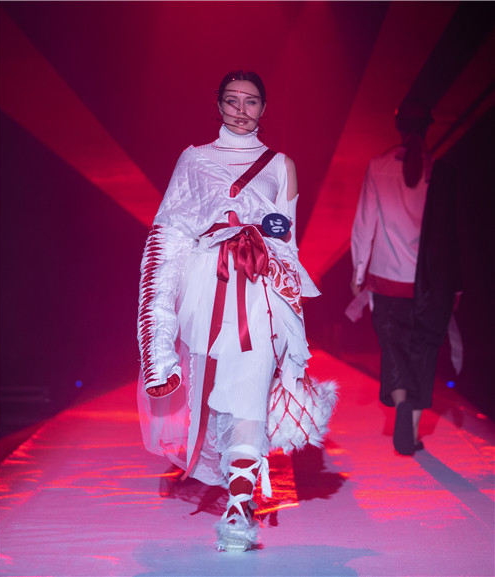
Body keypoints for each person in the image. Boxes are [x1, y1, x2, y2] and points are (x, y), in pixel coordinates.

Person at [137, 70, 337, 552]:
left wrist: (293, 316)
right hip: (206, 287)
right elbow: (169, 234)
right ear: (218, 105)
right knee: (216, 396)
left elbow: (286, 239)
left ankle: (239, 506)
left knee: (249, 391)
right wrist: (157, 338)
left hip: (260, 286)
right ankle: (236, 494)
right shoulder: (194, 159)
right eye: (232, 100)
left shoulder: (281, 165)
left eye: (251, 101)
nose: (241, 110)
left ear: (264, 108)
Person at [350, 98, 461, 456]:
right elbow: (451, 234)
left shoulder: (377, 166)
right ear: (428, 127)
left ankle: (400, 401)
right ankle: (411, 434)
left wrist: (358, 272)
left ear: (398, 127)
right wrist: (456, 286)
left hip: (386, 281)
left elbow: (364, 224)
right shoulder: (440, 172)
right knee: (423, 353)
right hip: (429, 284)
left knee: (394, 351)